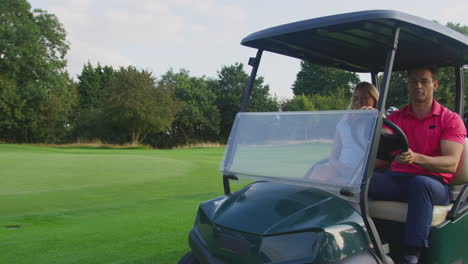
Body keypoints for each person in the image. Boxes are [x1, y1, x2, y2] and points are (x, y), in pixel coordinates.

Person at [369, 67, 466, 264]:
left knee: (420, 184)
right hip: (399, 180)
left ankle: (411, 254)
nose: (418, 86)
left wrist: (416, 158)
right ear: (408, 86)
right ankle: (362, 243)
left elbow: (450, 163)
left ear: (435, 85)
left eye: (424, 81)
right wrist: (368, 120)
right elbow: (381, 146)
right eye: (413, 81)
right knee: (365, 181)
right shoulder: (396, 118)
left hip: (435, 184)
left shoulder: (450, 119)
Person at [306, 82, 379, 182]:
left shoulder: (379, 122)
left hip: (364, 174)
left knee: (337, 183)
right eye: (356, 99)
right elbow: (333, 156)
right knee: (316, 173)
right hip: (341, 169)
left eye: (364, 98)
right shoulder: (345, 122)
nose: (359, 102)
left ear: (374, 99)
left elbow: (382, 159)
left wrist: (374, 116)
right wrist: (342, 169)